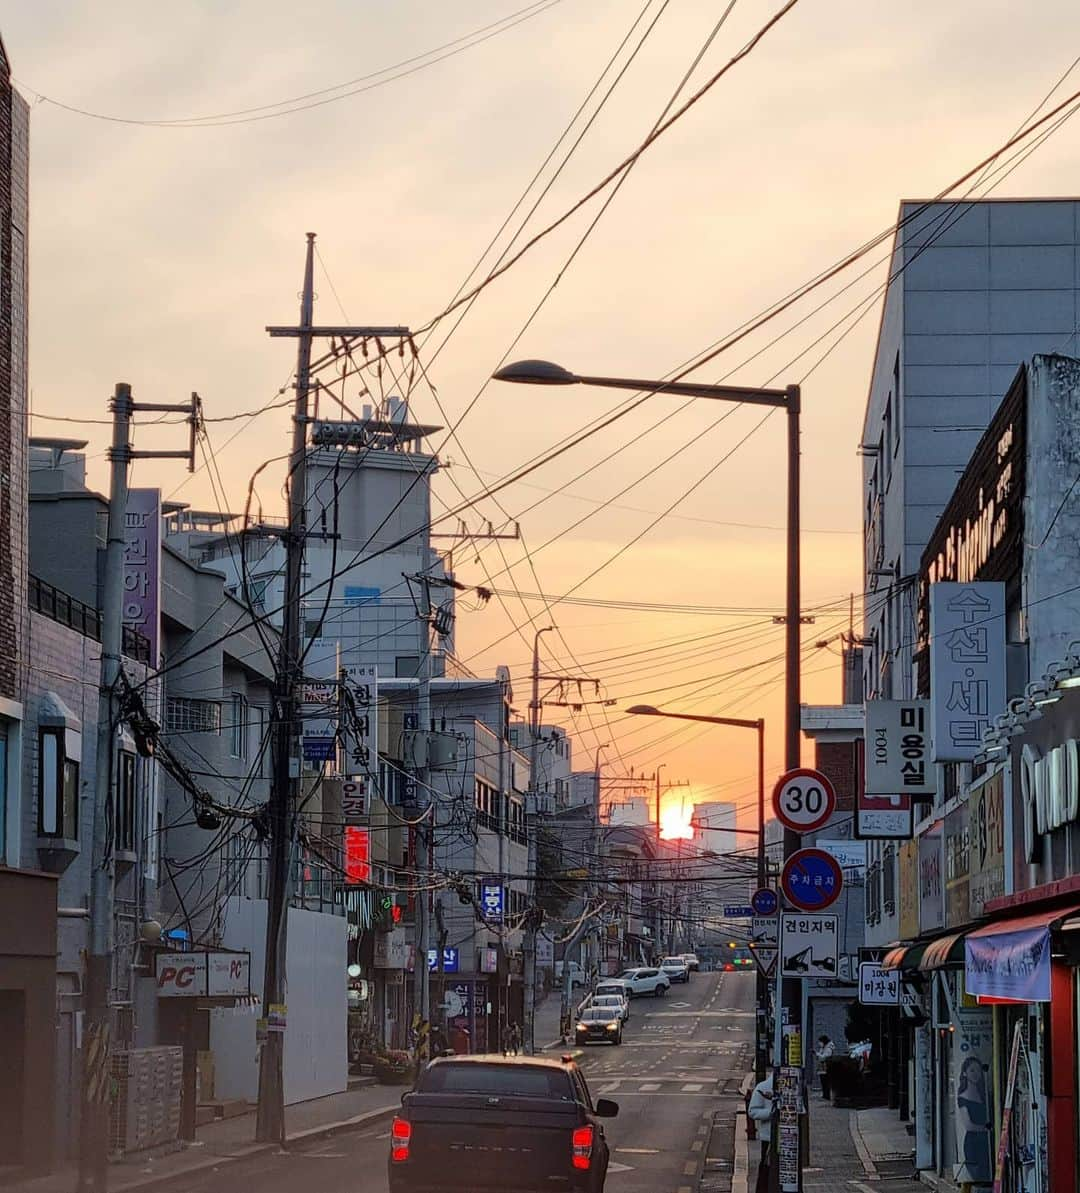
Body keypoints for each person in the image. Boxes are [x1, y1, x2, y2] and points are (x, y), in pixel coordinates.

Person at [747, 1071, 775, 1193]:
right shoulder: (763, 1087)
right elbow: (752, 1111)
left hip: (788, 1138)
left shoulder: (796, 1087)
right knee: (766, 1167)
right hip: (768, 1137)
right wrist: (770, 1113)